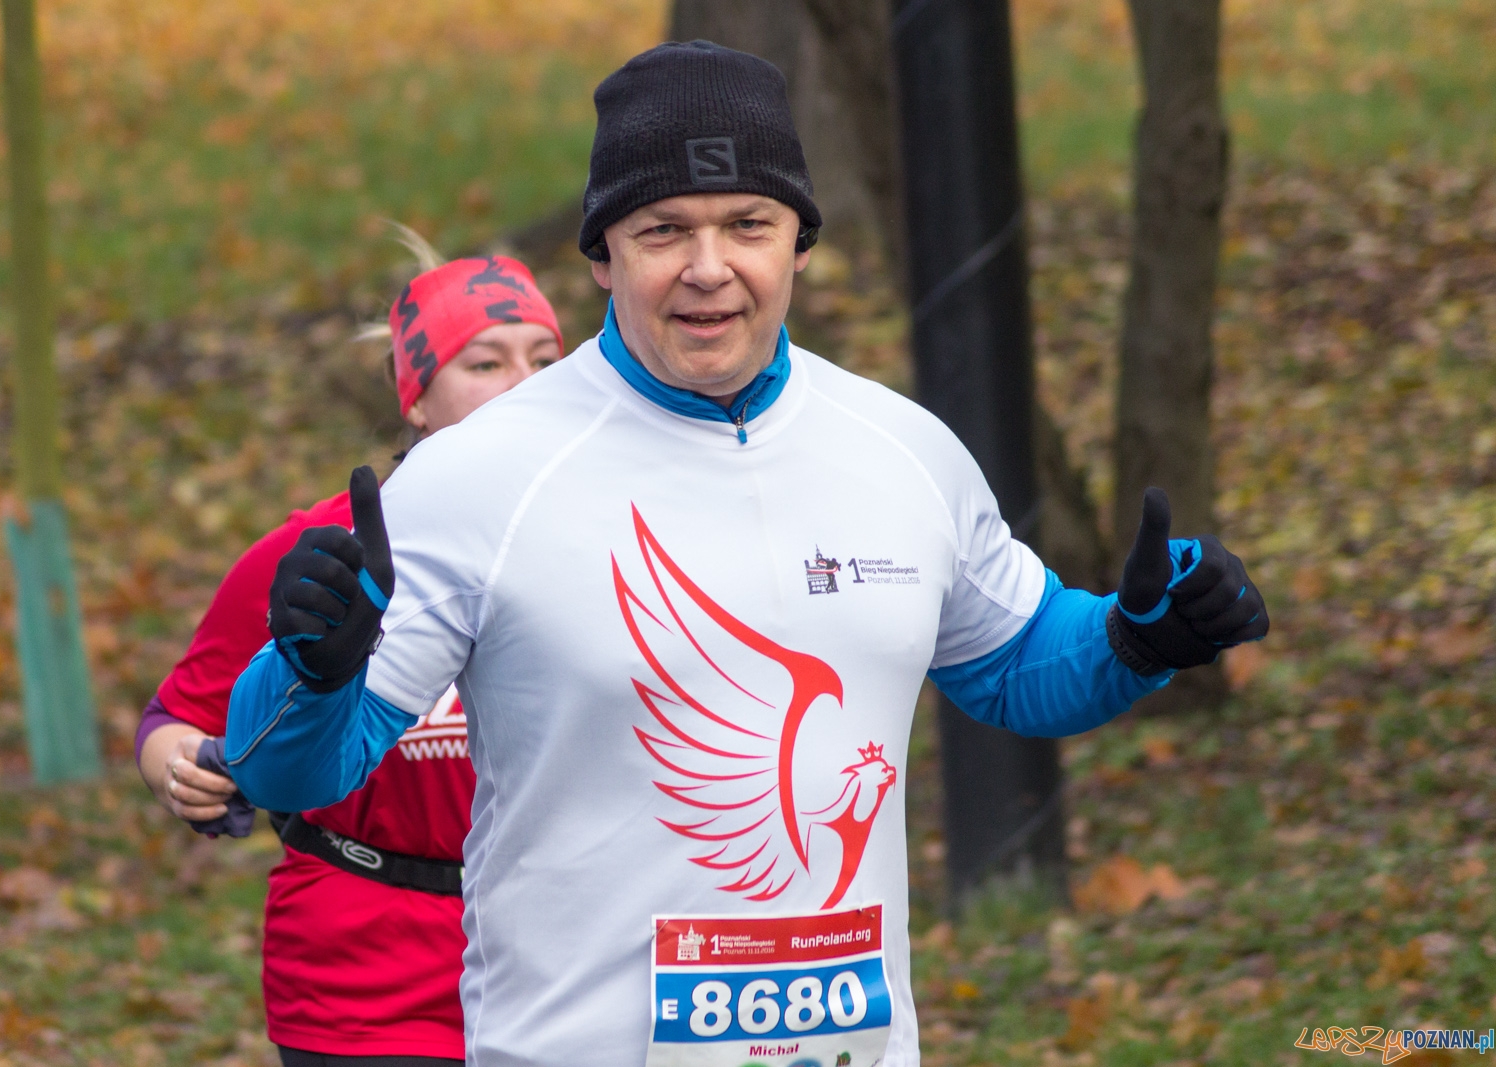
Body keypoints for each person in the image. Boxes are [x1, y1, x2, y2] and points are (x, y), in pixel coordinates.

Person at [223, 42, 1268, 1067]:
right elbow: (293, 768)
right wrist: (310, 669)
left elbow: (1013, 663)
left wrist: (1138, 635)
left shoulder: (902, 451)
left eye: (748, 225)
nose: (709, 268)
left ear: (799, 243)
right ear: (601, 254)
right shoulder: (476, 474)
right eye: (663, 229)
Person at [135, 241, 565, 1066]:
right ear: (419, 401)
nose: (526, 385)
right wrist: (182, 768)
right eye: (485, 361)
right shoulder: (321, 551)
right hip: (365, 967)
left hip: (562, 953)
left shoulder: (613, 541)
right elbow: (177, 714)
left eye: (547, 359)